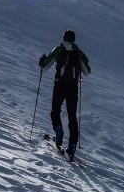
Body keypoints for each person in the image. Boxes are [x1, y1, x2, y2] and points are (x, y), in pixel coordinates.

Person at [38, 30, 91, 160]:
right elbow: (87, 72)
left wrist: (42, 60)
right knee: (72, 116)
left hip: (59, 85)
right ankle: (72, 146)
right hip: (72, 87)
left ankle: (58, 130)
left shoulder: (58, 49)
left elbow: (44, 66)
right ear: (73, 39)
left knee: (55, 111)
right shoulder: (79, 53)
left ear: (63, 38)